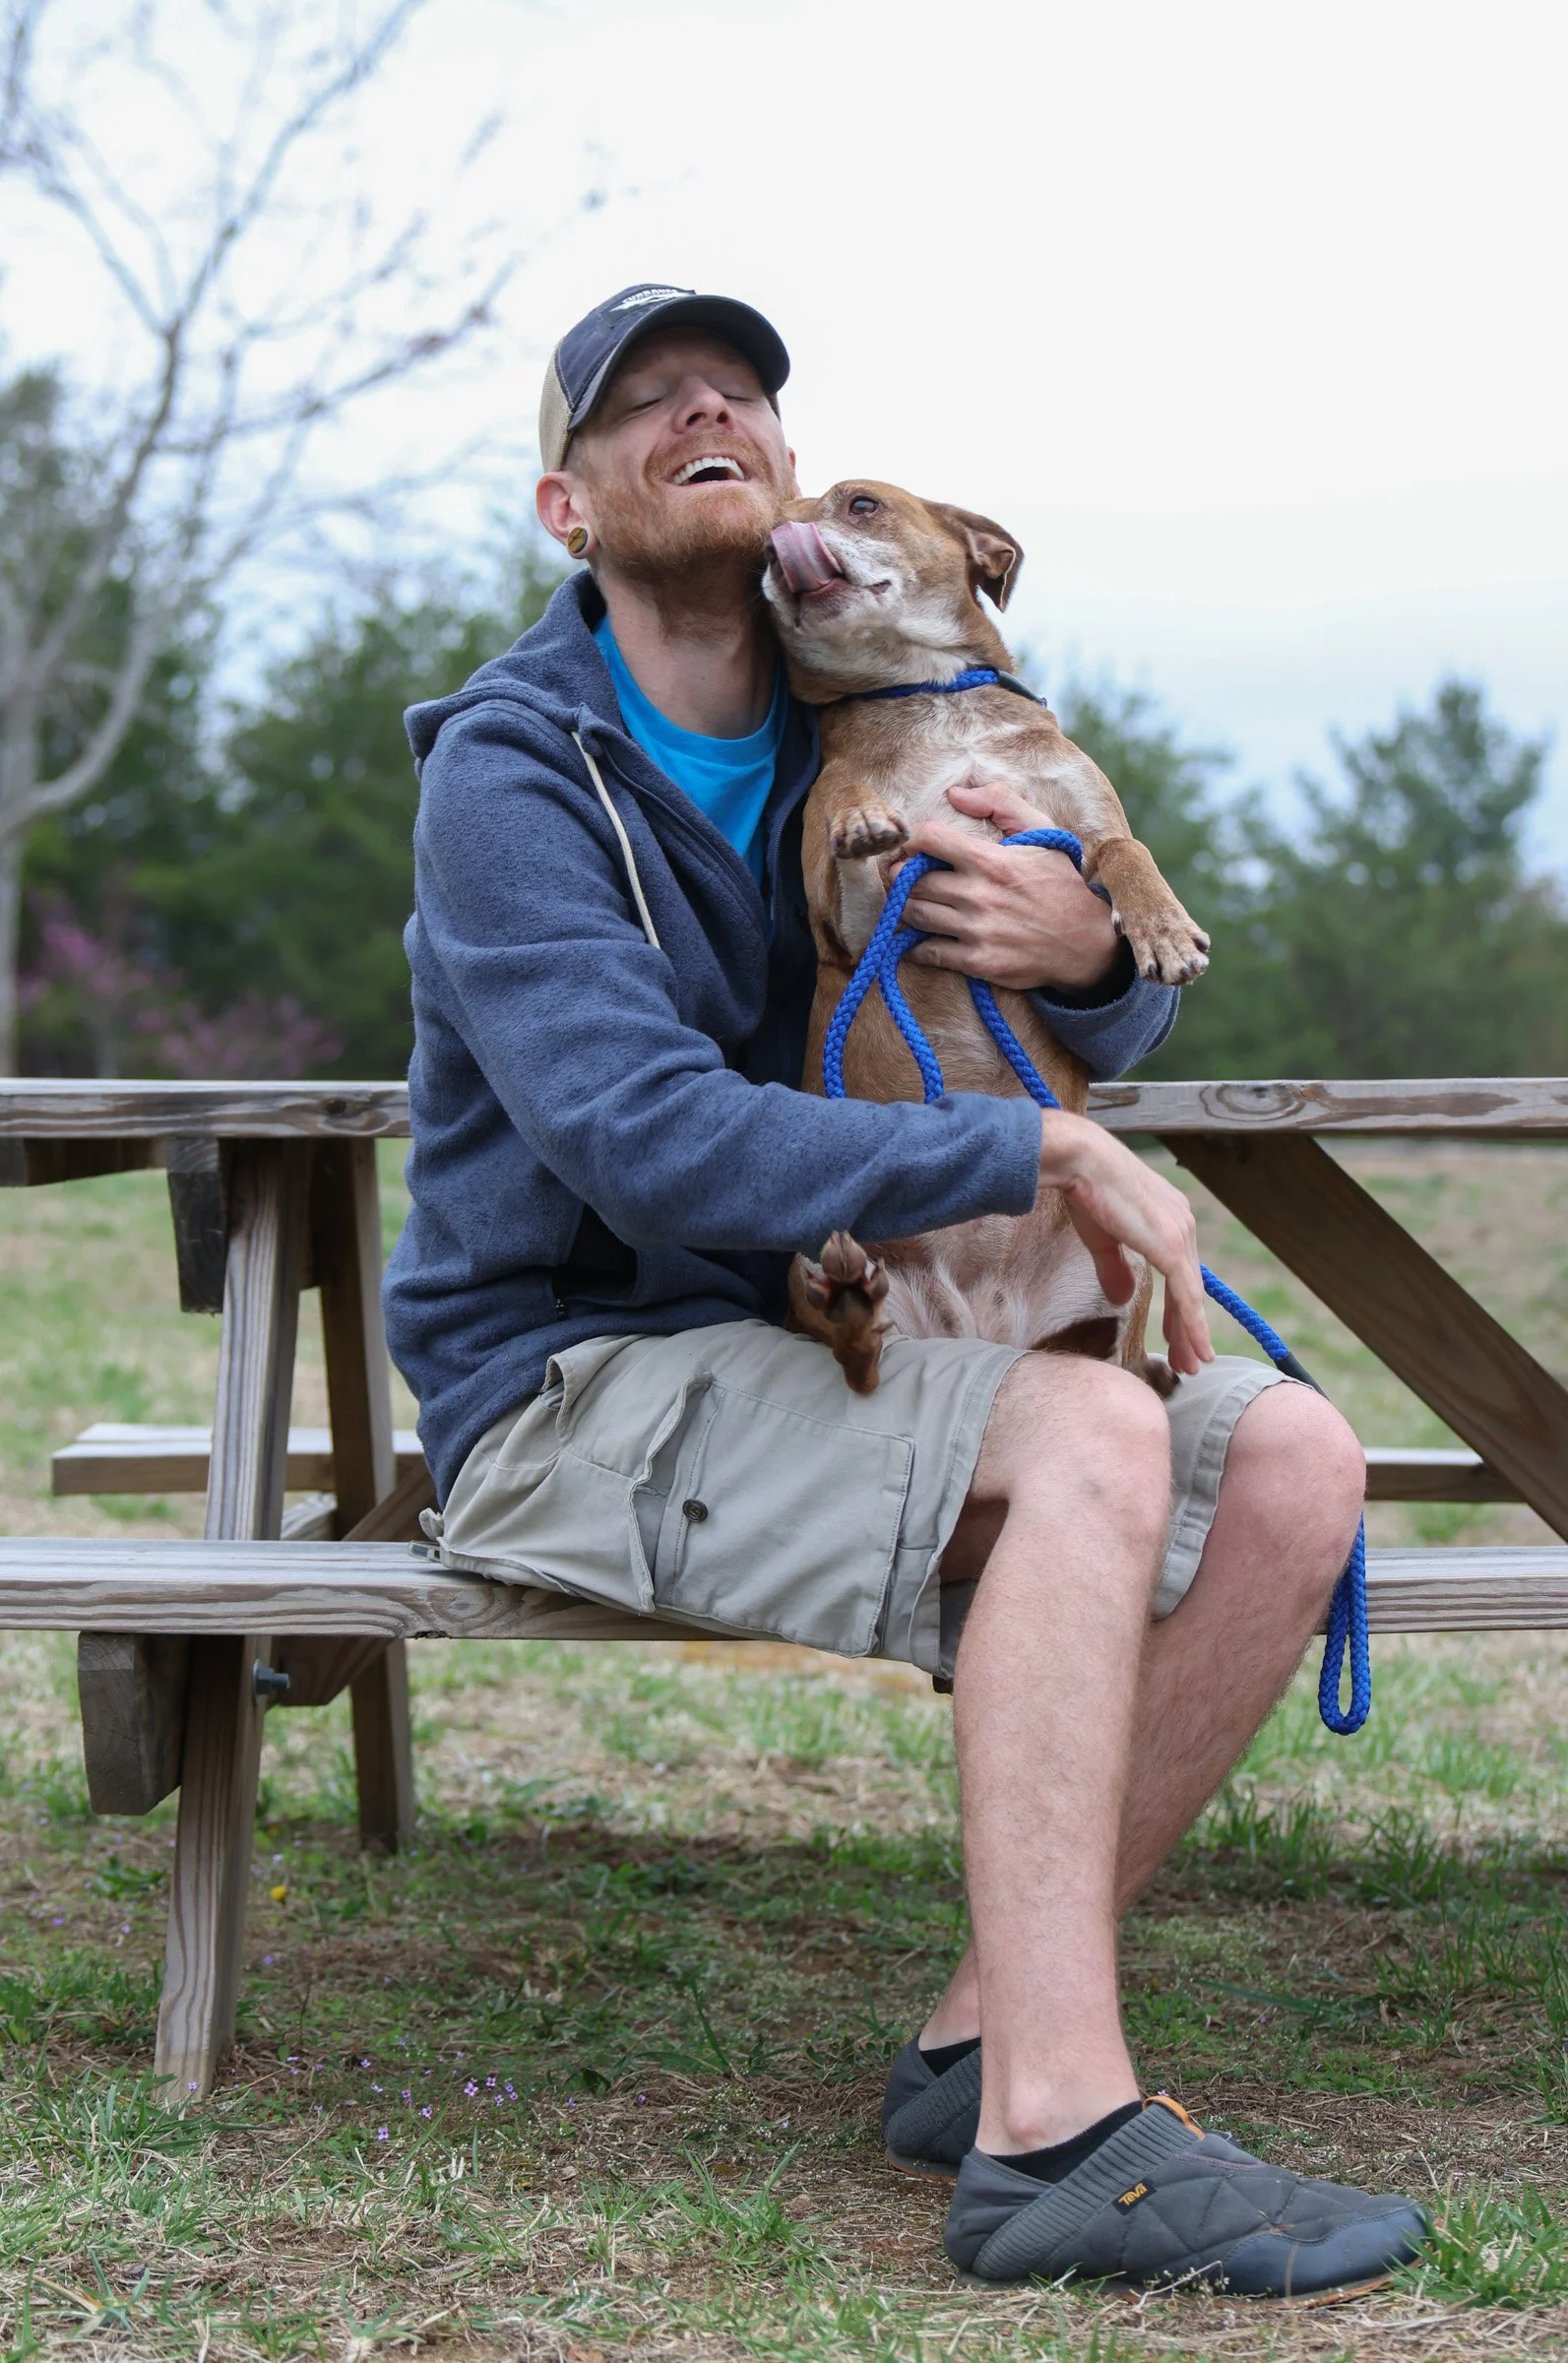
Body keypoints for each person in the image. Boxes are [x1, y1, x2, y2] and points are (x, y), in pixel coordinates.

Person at [384, 283, 1426, 2295]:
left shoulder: (862, 728)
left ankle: (978, 2044)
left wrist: (1086, 964)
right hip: (576, 1387)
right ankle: (1060, 2138)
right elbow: (647, 1139)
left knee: (1289, 1458)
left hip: (809, 1347)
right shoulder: (517, 779)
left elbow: (1015, 1035)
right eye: (645, 401)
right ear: (565, 506)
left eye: (745, 393)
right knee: (1090, 1427)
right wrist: (1039, 1152)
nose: (714, 409)